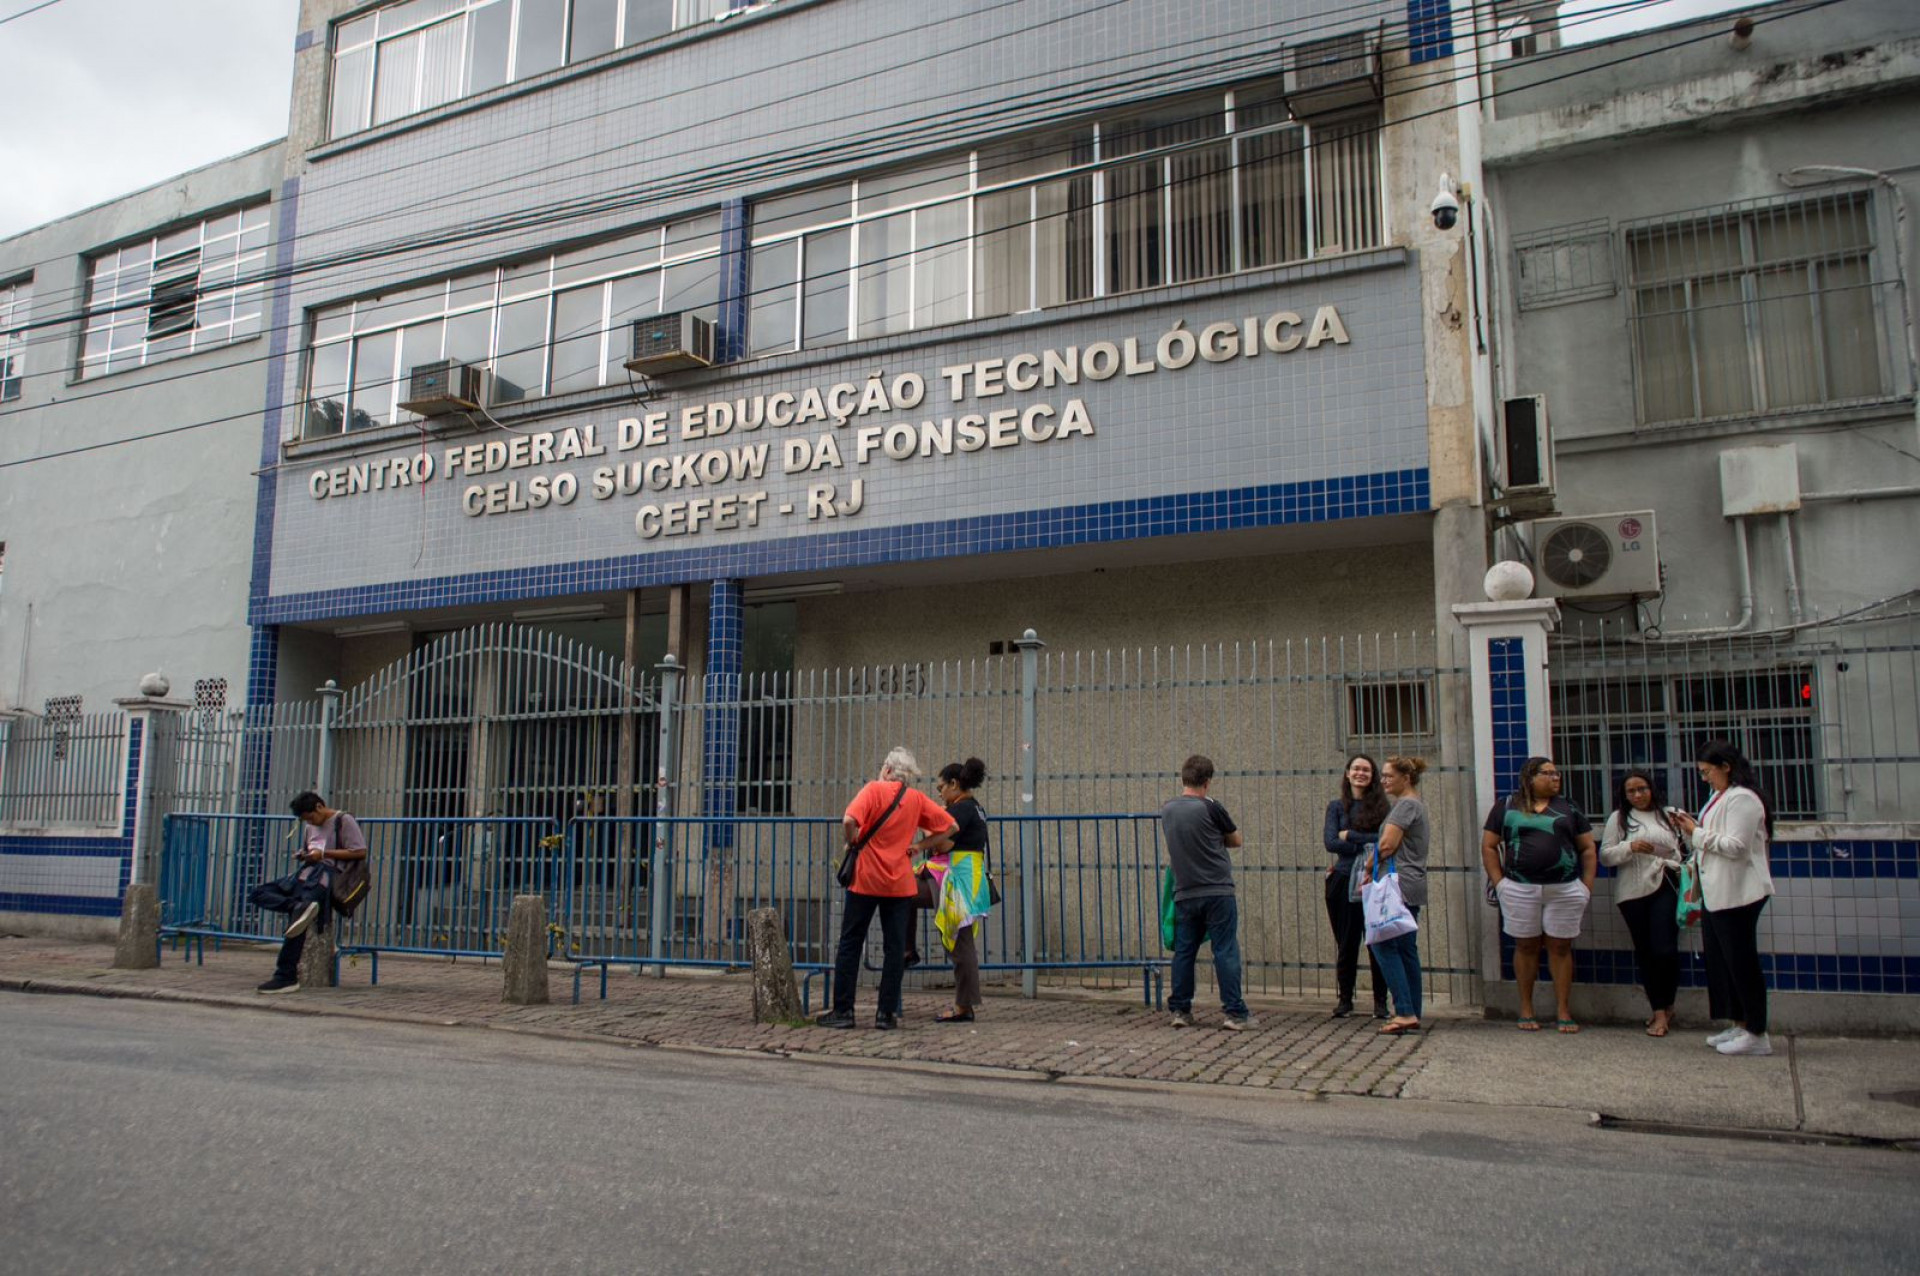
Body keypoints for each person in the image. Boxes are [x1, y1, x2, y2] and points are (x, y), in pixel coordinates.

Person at [818, 747, 957, 1030]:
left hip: (866, 879)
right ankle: (886, 1014)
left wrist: (855, 841)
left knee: (850, 943)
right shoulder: (916, 799)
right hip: (899, 883)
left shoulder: (872, 790)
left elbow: (849, 821)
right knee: (895, 950)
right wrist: (920, 846)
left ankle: (844, 1011)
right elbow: (951, 826)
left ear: (889, 770)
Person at [1671, 740, 1776, 1058]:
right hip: (1718, 891)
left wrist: (1696, 832)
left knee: (1742, 962)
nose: (1704, 778)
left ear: (1725, 767)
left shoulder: (1743, 798)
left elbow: (1737, 846)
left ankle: (1757, 1032)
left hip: (1740, 893)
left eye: (1707, 771)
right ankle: (1739, 1022)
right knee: (1723, 961)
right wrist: (1691, 828)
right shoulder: (1721, 796)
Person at [1482, 756, 1597, 1033]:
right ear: (1530, 778)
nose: (1556, 778)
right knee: (1526, 946)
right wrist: (1500, 884)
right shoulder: (1507, 806)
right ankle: (1526, 1008)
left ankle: (1563, 1010)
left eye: (1557, 773)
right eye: (1548, 773)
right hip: (1519, 888)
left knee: (1560, 947)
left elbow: (1588, 849)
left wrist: (1586, 887)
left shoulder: (1568, 807)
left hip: (1565, 889)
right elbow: (1489, 846)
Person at [1163, 754, 1253, 1031]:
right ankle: (1234, 1013)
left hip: (1185, 891)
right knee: (1225, 950)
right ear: (1207, 781)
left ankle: (1180, 1009)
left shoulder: (1167, 809)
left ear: (1183, 777)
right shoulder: (1211, 806)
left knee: (1184, 951)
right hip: (1217, 890)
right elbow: (1236, 840)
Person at [1599, 768, 1687, 1038]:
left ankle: (1668, 1003)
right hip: (1633, 892)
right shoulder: (1620, 818)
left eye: (1642, 789)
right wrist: (1630, 847)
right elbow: (1606, 856)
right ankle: (1659, 1011)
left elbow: (1689, 846)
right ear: (1624, 795)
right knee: (1646, 951)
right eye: (1631, 791)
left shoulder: (1669, 815)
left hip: (1666, 883)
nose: (1638, 795)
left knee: (1665, 949)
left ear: (1652, 789)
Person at [255, 791, 367, 995]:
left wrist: (323, 854)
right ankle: (297, 907)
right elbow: (310, 848)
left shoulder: (343, 820)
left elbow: (359, 851)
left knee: (299, 919)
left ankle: (285, 976)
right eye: (306, 821)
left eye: (311, 817)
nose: (311, 822)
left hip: (328, 876)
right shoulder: (309, 826)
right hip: (305, 874)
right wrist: (305, 855)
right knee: (259, 893)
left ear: (319, 807)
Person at [914, 756, 993, 1024]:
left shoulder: (962, 809)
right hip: (966, 876)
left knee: (961, 944)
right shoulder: (973, 808)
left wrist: (924, 824)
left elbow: (943, 843)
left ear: (954, 784)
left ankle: (964, 1006)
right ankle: (906, 951)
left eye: (940, 788)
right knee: (961, 942)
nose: (940, 793)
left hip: (959, 878)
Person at [1361, 755, 1431, 1035]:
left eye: (1389, 776)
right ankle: (1412, 1009)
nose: (1383, 781)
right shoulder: (1416, 806)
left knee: (1382, 943)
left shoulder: (1405, 806)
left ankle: (1403, 1010)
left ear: (1407, 778)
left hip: (1397, 882)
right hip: (1412, 882)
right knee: (1405, 948)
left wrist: (1368, 868)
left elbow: (1387, 844)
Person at [1323, 754, 1391, 1019]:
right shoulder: (1336, 807)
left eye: (1366, 769)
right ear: (1347, 773)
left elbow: (1385, 839)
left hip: (1373, 878)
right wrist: (1364, 843)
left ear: (1372, 775)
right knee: (1347, 942)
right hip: (1342, 879)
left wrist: (1350, 835)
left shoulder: (1383, 808)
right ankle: (1345, 1000)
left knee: (1376, 942)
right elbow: (1330, 842)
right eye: (1356, 769)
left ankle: (1380, 1002)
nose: (1361, 773)